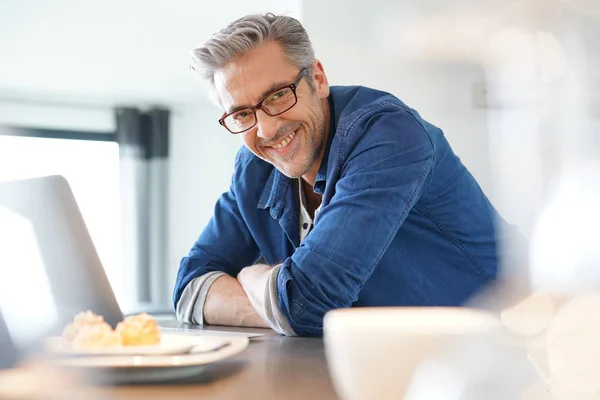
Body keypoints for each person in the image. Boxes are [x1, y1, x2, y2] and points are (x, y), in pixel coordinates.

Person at [173, 13, 505, 337]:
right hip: (374, 362)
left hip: (498, 356)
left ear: (317, 79)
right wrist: (277, 305)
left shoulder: (389, 135)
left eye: (277, 96)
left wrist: (251, 276)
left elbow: (307, 303)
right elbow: (190, 289)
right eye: (242, 113)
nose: (267, 129)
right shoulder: (254, 167)